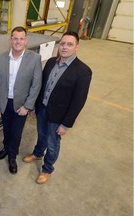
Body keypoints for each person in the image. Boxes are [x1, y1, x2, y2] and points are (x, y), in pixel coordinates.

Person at [23, 31, 92, 184]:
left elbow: (78, 101)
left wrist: (66, 124)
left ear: (77, 47)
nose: (65, 47)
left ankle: (47, 169)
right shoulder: (51, 62)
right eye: (63, 43)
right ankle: (38, 153)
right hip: (42, 109)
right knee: (41, 135)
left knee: (52, 143)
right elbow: (41, 86)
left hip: (58, 116)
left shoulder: (83, 72)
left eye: (70, 44)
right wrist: (34, 106)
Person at [0, 26, 42, 174]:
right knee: (6, 129)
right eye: (15, 38)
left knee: (16, 132)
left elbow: (36, 84)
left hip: (22, 104)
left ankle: (12, 157)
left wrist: (28, 106)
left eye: (21, 38)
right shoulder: (1, 58)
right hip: (5, 102)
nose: (18, 41)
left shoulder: (34, 59)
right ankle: (6, 148)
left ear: (25, 40)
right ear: (10, 40)